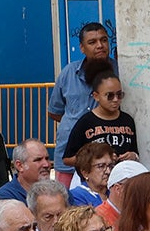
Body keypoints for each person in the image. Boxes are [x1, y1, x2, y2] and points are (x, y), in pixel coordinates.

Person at [48, 22, 113, 178]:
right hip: (69, 158)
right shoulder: (69, 73)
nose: (100, 46)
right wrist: (76, 127)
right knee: (66, 200)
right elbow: (54, 112)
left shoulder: (119, 71)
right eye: (92, 42)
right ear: (82, 48)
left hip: (105, 157)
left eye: (104, 40)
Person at [61, 65, 139, 167]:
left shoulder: (127, 120)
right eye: (109, 96)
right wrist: (95, 159)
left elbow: (135, 151)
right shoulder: (86, 122)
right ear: (96, 96)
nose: (115, 99)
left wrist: (133, 156)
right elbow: (67, 159)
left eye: (119, 95)